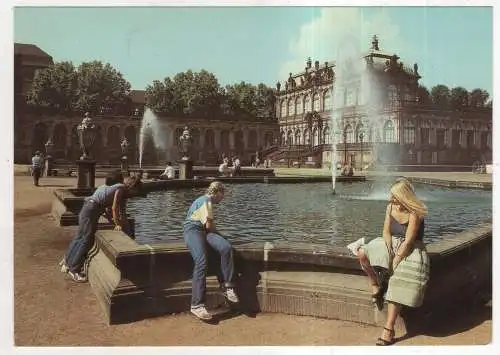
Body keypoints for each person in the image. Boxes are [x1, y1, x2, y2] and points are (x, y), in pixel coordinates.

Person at [350, 178, 429, 345]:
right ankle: (375, 284)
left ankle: (389, 328)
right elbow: (386, 232)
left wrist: (397, 258)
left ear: (405, 196)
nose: (392, 200)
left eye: (395, 197)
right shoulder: (390, 207)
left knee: (398, 276)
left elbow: (408, 241)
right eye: (391, 196)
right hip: (392, 242)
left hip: (412, 248)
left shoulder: (415, 211)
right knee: (362, 254)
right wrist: (388, 248)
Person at [59, 176, 141, 282]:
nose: (134, 193)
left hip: (88, 208)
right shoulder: (120, 188)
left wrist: (113, 221)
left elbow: (107, 208)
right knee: (86, 240)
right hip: (91, 210)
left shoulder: (113, 186)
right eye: (136, 190)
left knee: (80, 237)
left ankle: (67, 261)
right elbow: (114, 208)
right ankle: (74, 270)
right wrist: (117, 224)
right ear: (132, 186)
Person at [183, 181, 239, 321]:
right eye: (223, 194)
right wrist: (220, 234)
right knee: (201, 261)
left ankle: (228, 287)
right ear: (217, 192)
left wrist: (221, 236)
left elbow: (209, 226)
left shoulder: (207, 203)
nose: (223, 198)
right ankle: (197, 305)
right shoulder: (206, 200)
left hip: (204, 230)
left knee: (226, 247)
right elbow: (209, 226)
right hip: (193, 230)